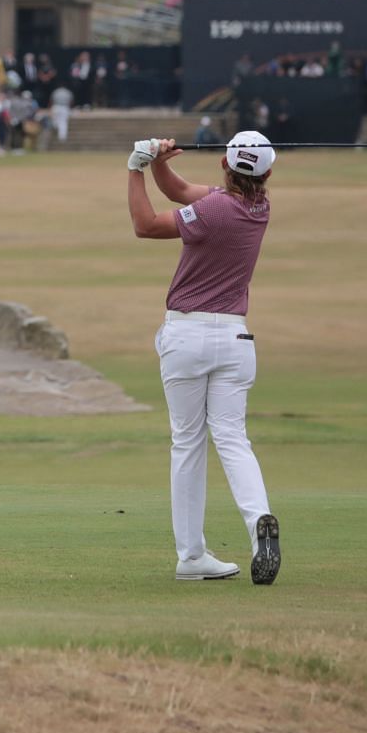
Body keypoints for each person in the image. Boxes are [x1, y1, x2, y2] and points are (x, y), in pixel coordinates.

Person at [125, 131, 282, 586]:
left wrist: (133, 169)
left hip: (188, 335)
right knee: (233, 439)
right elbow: (177, 191)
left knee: (188, 443)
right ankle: (259, 527)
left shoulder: (215, 208)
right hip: (235, 339)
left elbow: (145, 224)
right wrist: (158, 163)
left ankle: (191, 555)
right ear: (267, 173)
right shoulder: (257, 208)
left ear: (223, 166)